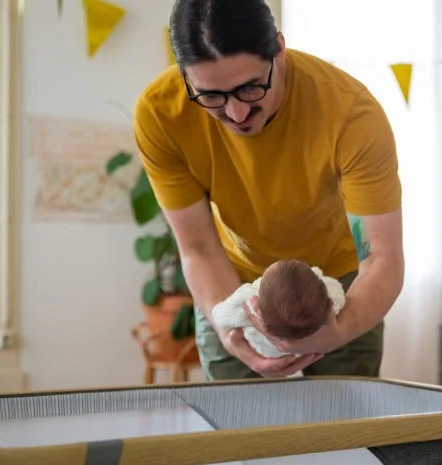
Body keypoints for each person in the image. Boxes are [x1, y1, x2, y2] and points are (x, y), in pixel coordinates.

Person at [133, 0, 404, 380]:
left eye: (250, 88)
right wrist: (230, 335)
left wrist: (338, 330)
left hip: (338, 283)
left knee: (344, 429)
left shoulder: (351, 114)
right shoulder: (160, 113)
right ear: (185, 77)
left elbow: (381, 257)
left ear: (279, 48)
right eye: (211, 96)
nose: (237, 114)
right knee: (240, 431)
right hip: (230, 279)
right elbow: (199, 247)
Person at [211, 259, 347, 360]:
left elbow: (221, 316)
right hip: (311, 346)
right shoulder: (330, 297)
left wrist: (217, 313)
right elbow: (338, 291)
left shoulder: (250, 301)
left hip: (264, 351)